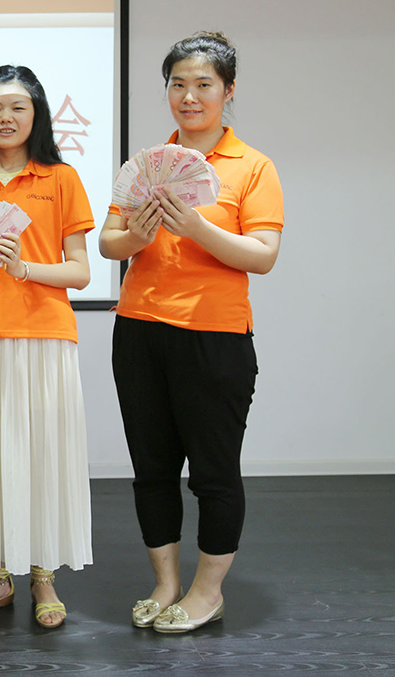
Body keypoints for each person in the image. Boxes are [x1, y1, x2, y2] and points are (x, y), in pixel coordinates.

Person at [99, 32, 284, 633]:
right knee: (152, 468)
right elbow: (109, 243)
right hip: (139, 331)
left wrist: (196, 227)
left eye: (204, 84)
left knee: (213, 472)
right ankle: (166, 582)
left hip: (214, 336)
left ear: (228, 91)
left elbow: (263, 255)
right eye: (178, 84)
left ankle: (208, 591)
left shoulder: (252, 166)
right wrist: (140, 234)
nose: (189, 95)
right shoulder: (148, 165)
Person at [0, 65, 94, 629]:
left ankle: (43, 574)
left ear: (37, 115)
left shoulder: (61, 178)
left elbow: (80, 271)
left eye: (17, 107)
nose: (5, 118)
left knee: (43, 455)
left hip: (46, 335)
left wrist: (24, 268)